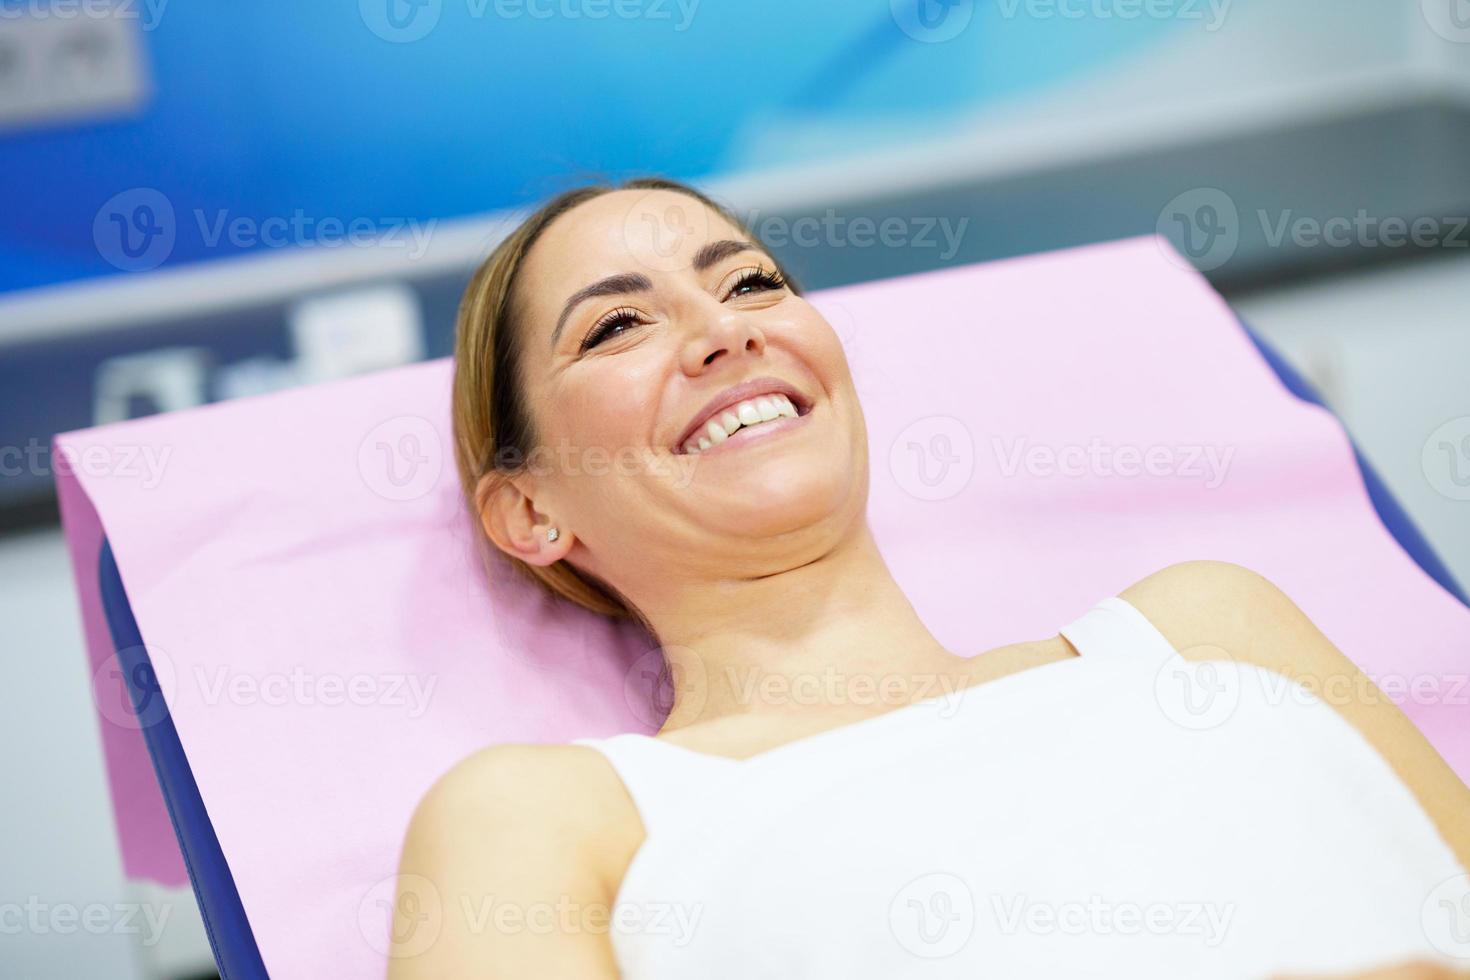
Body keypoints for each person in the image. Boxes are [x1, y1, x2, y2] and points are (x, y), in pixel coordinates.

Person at [388, 176, 1470, 978]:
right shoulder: (548, 813)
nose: (724, 331)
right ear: (529, 511)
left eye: (753, 283)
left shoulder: (1207, 624)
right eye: (619, 323)